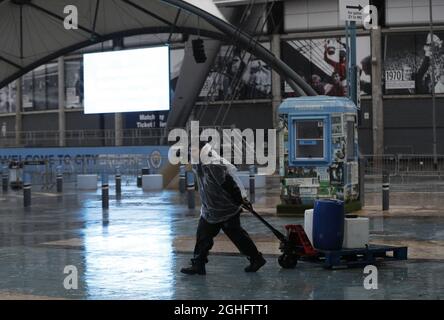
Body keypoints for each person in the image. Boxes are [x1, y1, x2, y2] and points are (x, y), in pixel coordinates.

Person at [180, 142, 266, 275]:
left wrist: (240, 199)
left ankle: (256, 258)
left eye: (195, 150)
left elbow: (230, 183)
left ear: (203, 150)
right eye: (191, 150)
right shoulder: (199, 163)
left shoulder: (214, 164)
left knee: (238, 237)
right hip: (210, 210)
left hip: (226, 209)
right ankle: (198, 264)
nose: (192, 153)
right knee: (203, 237)